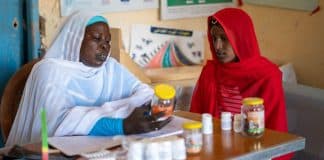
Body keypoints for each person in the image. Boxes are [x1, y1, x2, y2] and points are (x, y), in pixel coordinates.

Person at [6, 12, 170, 146]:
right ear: (75, 39)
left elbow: (145, 94)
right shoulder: (50, 71)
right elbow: (56, 124)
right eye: (96, 38)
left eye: (107, 41)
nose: (105, 46)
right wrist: (121, 124)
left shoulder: (110, 68)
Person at [190, 8, 291, 159]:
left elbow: (276, 135)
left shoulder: (267, 76)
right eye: (214, 37)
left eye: (224, 39)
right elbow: (195, 120)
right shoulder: (210, 72)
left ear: (241, 39)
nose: (217, 46)